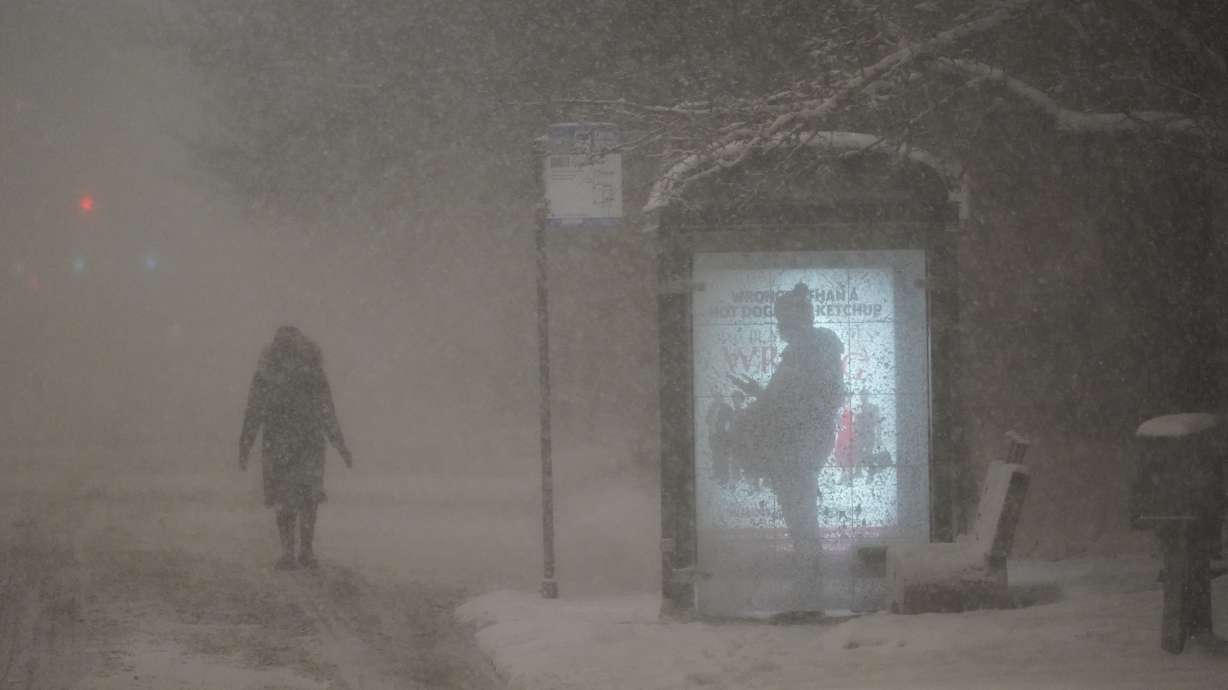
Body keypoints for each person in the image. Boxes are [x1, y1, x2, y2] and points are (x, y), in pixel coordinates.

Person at [728, 282, 843, 608]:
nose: (780, 328)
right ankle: (809, 586)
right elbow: (792, 400)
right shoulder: (813, 351)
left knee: (801, 517)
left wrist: (760, 407)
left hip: (797, 446)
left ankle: (809, 590)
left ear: (795, 320)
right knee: (800, 516)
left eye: (783, 321)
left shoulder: (809, 352)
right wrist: (761, 397)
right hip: (800, 444)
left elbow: (798, 402)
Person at [239, 326, 353, 570]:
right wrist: (340, 446)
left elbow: (254, 412)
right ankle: (302, 551)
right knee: (305, 498)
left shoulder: (270, 373)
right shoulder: (311, 371)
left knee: (289, 499)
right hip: (305, 443)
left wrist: (245, 445)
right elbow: (327, 412)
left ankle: (292, 551)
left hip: (284, 444)